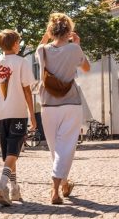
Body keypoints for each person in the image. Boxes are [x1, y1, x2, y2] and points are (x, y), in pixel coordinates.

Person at [36, 13, 90, 205]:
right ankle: (55, 189)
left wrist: (47, 35)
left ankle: (64, 184)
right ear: (69, 31)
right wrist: (77, 43)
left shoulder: (42, 50)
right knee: (65, 148)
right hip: (70, 103)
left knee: (55, 149)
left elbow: (41, 45)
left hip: (48, 104)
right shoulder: (74, 49)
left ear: (51, 31)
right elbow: (86, 68)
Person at [0, 29, 36, 206]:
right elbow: (27, 90)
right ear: (15, 44)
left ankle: (14, 189)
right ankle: (2, 183)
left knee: (8, 153)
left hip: (1, 114)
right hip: (18, 112)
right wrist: (32, 115)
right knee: (14, 151)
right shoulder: (21, 62)